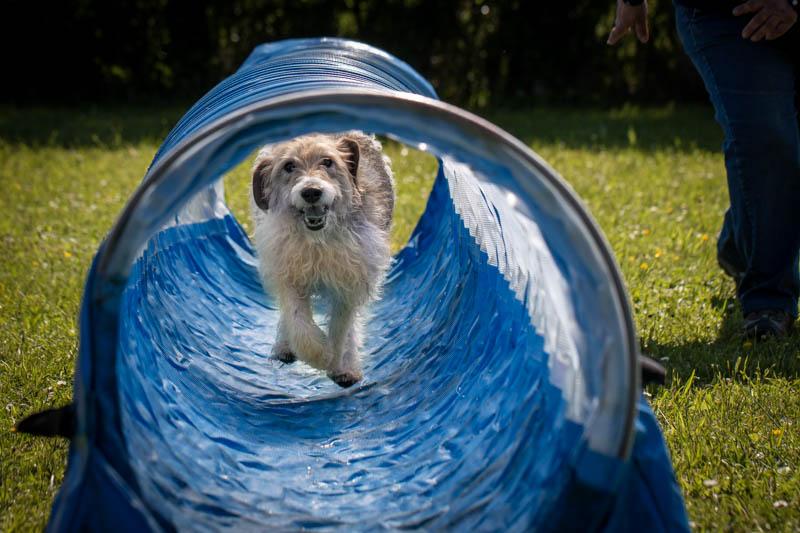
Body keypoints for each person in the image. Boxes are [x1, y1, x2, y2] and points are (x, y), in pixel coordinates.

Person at [608, 0, 800, 339]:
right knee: (765, 138)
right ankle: (768, 302)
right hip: (727, 16)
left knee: (777, 157)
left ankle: (738, 244)